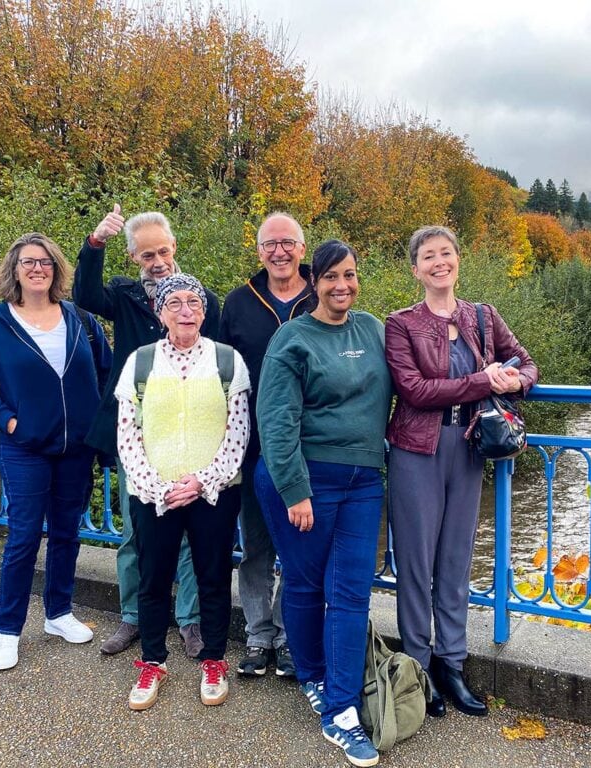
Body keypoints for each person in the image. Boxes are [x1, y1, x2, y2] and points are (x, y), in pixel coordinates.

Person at [385, 225, 538, 717]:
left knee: (455, 560)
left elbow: (528, 364)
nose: (439, 262)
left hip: (469, 446)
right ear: (416, 269)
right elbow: (414, 390)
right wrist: (481, 380)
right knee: (416, 562)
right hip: (416, 449)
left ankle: (452, 663)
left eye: (446, 253)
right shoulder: (401, 324)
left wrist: (514, 380)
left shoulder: (483, 316)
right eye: (428, 256)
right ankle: (418, 665)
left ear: (458, 259)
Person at [255, 240, 392, 768]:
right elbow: (276, 419)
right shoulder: (293, 338)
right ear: (314, 282)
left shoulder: (373, 330)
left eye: (350, 275)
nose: (342, 285)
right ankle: (313, 677)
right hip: (305, 480)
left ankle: (342, 708)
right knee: (306, 584)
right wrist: (295, 490)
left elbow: (419, 375)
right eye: (332, 276)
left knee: (351, 593)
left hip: (364, 480)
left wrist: (492, 377)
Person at [74, 206, 219, 658]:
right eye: (147, 255)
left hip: (191, 429)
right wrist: (95, 243)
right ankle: (133, 616)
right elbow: (85, 294)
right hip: (136, 431)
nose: (157, 262)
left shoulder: (201, 299)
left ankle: (190, 620)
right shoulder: (124, 295)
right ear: (133, 257)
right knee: (137, 529)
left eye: (163, 251)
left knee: (192, 532)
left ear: (174, 247)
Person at [0, 232, 112, 671]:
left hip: (75, 449)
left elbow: (106, 373)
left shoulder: (79, 318)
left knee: (67, 533)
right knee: (24, 538)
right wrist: (10, 421)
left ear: (56, 269)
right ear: (14, 269)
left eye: (45, 262)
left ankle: (58, 613)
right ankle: (8, 629)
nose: (37, 269)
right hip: (25, 448)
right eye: (28, 261)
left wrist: (97, 428)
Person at [115, 274, 249, 710]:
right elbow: (128, 434)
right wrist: (158, 487)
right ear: (160, 313)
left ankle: (213, 660)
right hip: (154, 493)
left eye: (194, 302)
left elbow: (238, 432)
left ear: (205, 312)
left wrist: (203, 481)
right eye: (174, 303)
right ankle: (152, 661)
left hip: (215, 491)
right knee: (153, 579)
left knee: (213, 578)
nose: (185, 310)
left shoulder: (228, 360)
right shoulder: (140, 362)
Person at [218, 212, 314, 679]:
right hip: (253, 446)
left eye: (287, 243)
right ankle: (258, 635)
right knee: (256, 546)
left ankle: (290, 635)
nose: (279, 252)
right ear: (259, 251)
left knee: (298, 548)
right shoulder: (239, 302)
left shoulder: (323, 294)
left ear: (302, 248)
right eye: (270, 244)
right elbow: (219, 373)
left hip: (310, 446)